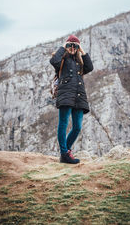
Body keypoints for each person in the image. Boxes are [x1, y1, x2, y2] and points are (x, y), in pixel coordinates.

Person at [50, 34, 94, 164]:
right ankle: (64, 153)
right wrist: (64, 47)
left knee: (77, 127)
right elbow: (54, 61)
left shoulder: (80, 61)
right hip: (65, 95)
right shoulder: (62, 59)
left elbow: (89, 67)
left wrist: (82, 51)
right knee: (63, 124)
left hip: (79, 97)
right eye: (71, 45)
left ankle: (66, 152)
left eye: (75, 46)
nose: (73, 48)